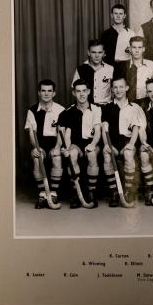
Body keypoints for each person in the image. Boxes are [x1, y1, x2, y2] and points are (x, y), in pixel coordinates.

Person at [101, 76, 146, 206]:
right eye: (115, 87)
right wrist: (107, 145)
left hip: (128, 140)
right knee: (107, 155)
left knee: (128, 154)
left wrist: (131, 144)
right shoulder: (106, 108)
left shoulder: (134, 107)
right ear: (112, 90)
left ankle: (127, 191)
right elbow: (104, 128)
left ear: (126, 88)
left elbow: (136, 128)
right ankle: (114, 192)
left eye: (121, 87)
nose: (118, 90)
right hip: (112, 141)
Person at [57, 79, 102, 208]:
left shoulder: (96, 109)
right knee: (71, 155)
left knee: (92, 154)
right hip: (75, 143)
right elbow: (68, 134)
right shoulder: (68, 112)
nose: (81, 94)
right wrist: (66, 147)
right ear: (73, 93)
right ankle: (76, 193)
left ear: (88, 92)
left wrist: (93, 144)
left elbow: (98, 131)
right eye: (78, 91)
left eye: (84, 91)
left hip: (91, 141)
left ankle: (91, 192)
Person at [24, 79, 65, 209]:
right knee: (37, 158)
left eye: (49, 91)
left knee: (57, 158)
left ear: (54, 93)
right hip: (39, 143)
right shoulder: (32, 110)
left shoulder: (60, 110)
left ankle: (53, 193)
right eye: (43, 91)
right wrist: (36, 148)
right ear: (39, 93)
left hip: (55, 143)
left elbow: (61, 133)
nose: (46, 94)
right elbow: (31, 132)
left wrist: (57, 147)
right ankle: (42, 194)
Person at [114, 36, 153, 104]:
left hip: (146, 103)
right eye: (134, 47)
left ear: (143, 49)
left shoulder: (152, 65)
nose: (137, 51)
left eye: (139, 47)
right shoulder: (122, 66)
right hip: (128, 104)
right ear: (130, 49)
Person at [72, 39, 114, 105]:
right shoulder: (81, 69)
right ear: (88, 52)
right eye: (94, 52)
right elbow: (74, 89)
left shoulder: (110, 69)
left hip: (105, 107)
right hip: (87, 107)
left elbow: (115, 89)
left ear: (103, 53)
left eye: (100, 52)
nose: (97, 56)